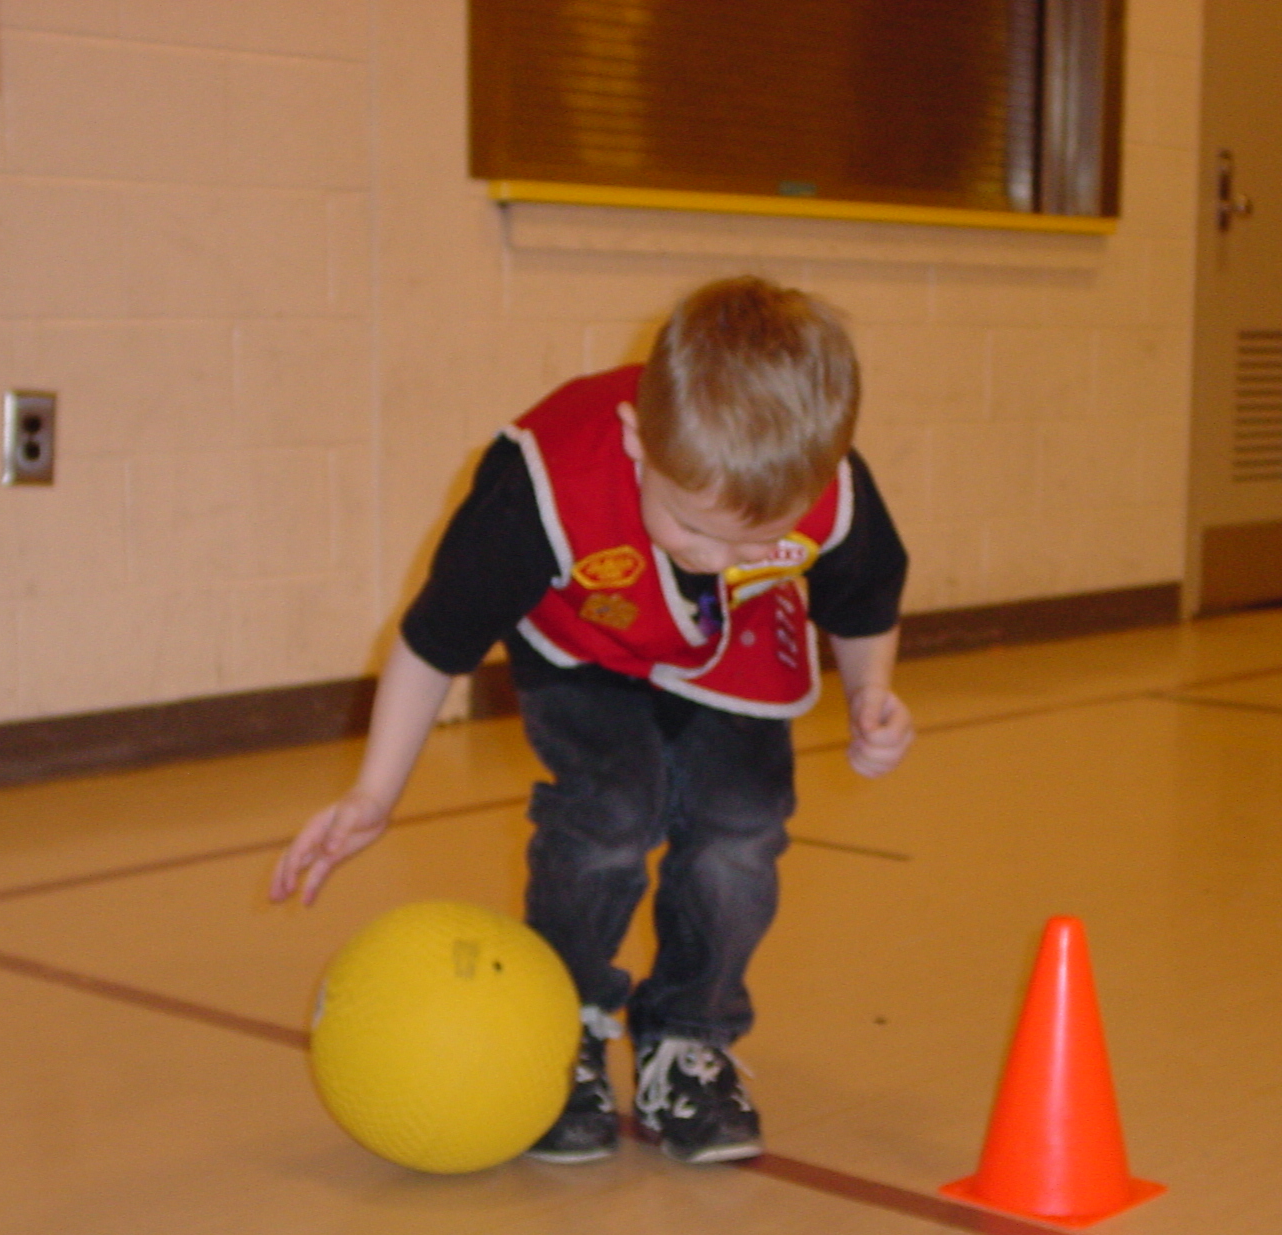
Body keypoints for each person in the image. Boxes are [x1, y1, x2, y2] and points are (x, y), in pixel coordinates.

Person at [269, 276, 913, 1165]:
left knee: (741, 827)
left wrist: (873, 692)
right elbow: (432, 644)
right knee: (608, 816)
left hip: (729, 647)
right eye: (693, 529)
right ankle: (561, 1021)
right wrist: (374, 794)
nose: (721, 559)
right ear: (637, 440)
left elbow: (863, 598)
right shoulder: (541, 489)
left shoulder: (827, 486)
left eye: (758, 542)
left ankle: (689, 1037)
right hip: (582, 643)